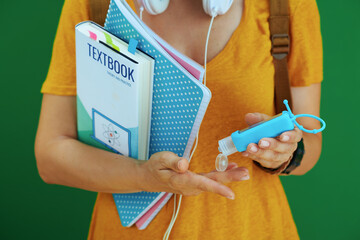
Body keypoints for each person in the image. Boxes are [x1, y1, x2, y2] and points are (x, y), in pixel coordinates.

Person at [35, 0, 323, 239]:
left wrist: (283, 153)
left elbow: (310, 144)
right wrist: (144, 176)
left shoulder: (284, 7)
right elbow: (50, 156)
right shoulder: (95, 5)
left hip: (255, 229)